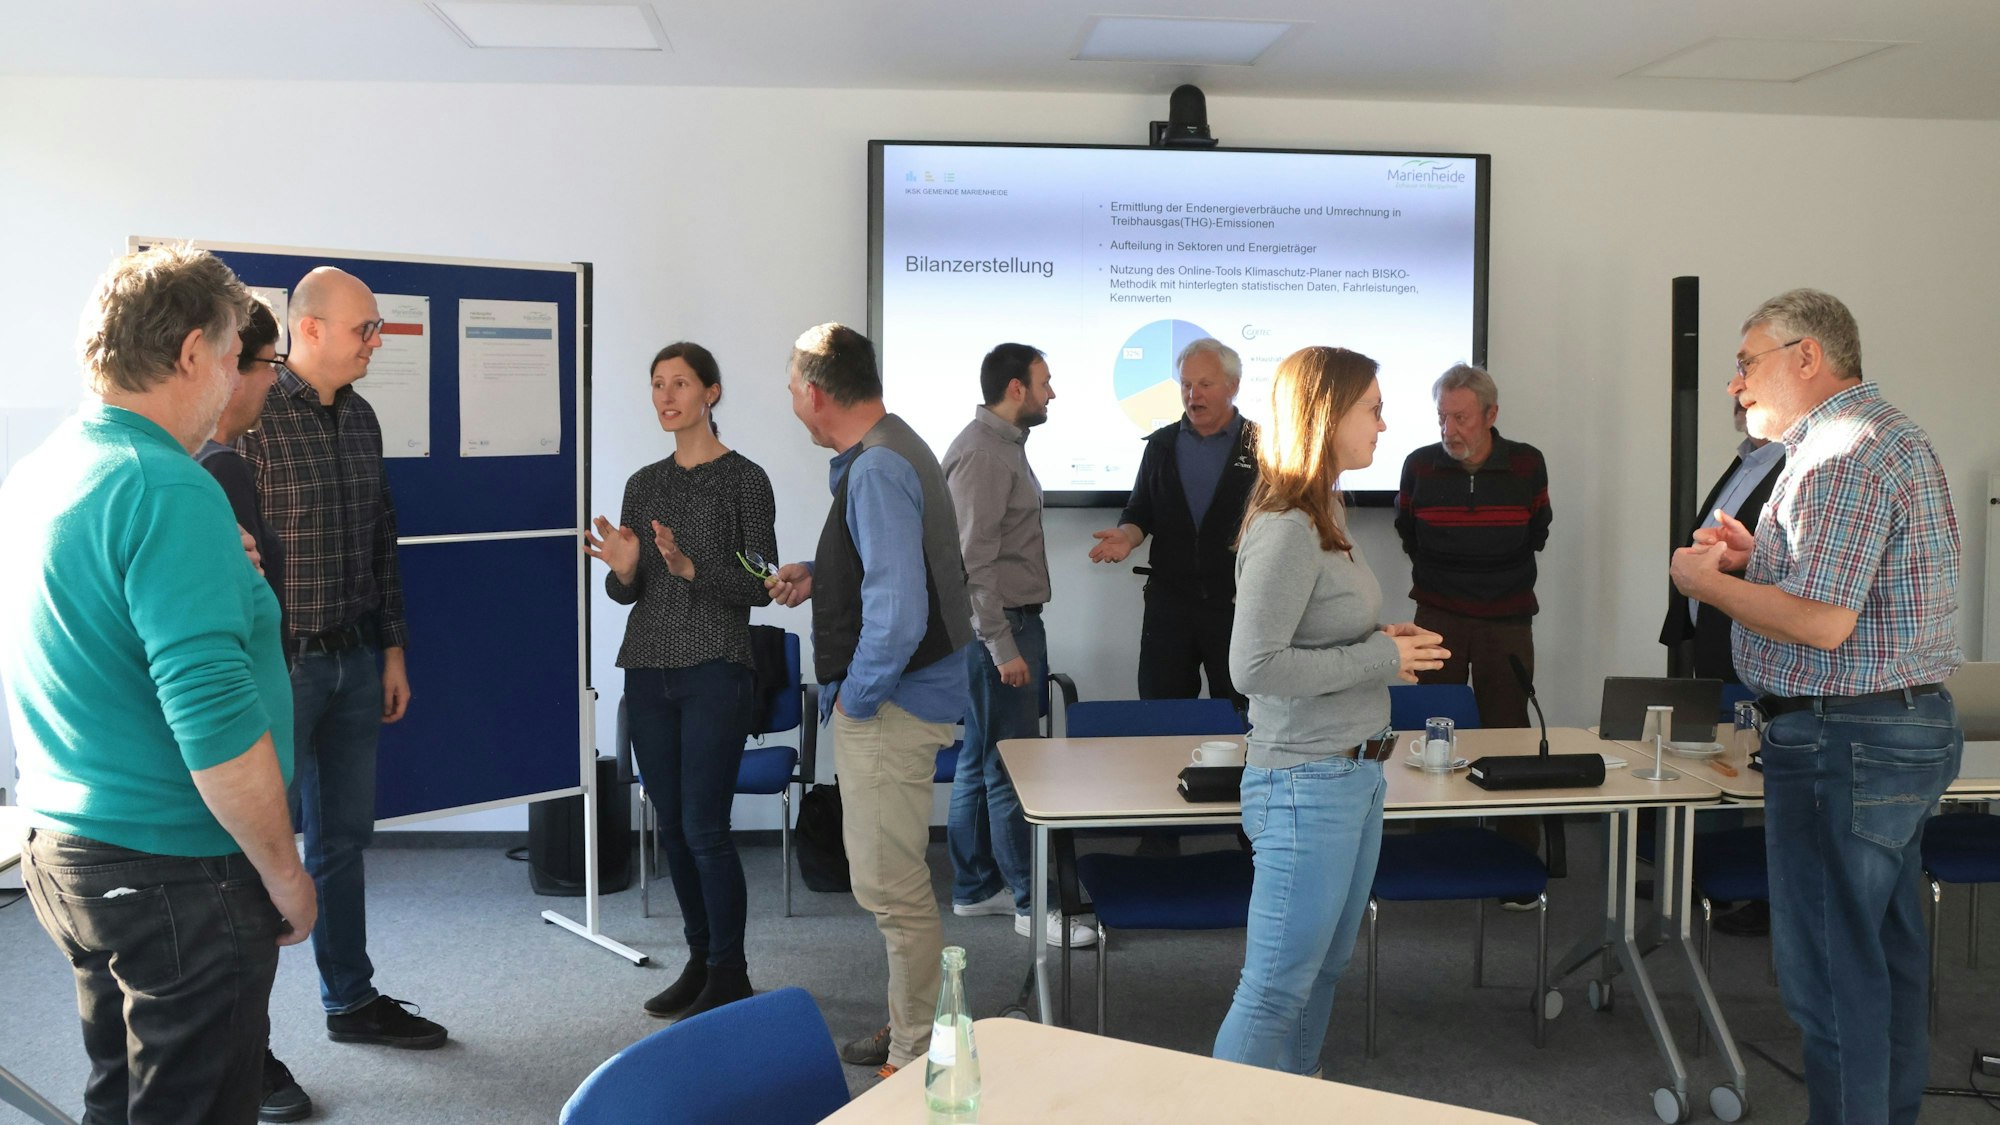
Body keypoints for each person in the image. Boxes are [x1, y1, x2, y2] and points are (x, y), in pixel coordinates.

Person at [0, 245, 312, 1124]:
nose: (233, 380)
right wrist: (284, 870)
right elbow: (213, 719)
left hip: (69, 847)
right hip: (176, 868)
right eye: (228, 356)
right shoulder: (166, 486)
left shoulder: (49, 468)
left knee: (129, 1097)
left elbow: (92, 626)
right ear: (188, 354)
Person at [1670, 288, 1963, 1125]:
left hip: (1848, 742)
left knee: (1832, 978)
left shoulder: (1838, 453)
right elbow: (1854, 599)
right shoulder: (1881, 436)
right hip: (1890, 731)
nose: (1736, 384)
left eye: (1746, 361)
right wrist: (1760, 557)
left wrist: (1709, 585)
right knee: (1885, 965)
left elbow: (1826, 626)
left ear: (1808, 357)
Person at [1211, 346, 1447, 1074]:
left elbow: (1311, 634)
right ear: (1327, 415)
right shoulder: (1286, 523)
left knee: (1322, 972)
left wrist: (1377, 638)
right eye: (1372, 408)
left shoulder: (1326, 509)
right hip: (1305, 782)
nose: (1385, 423)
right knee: (1276, 986)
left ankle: (1295, 1099)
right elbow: (1252, 667)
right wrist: (1381, 658)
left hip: (1354, 774)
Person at [238, 267, 444, 1050]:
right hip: (278, 669)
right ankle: (243, 1045)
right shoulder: (254, 419)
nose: (376, 340)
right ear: (310, 329)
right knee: (255, 848)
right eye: (364, 328)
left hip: (356, 660)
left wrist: (392, 648)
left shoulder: (362, 419)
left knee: (342, 842)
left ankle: (350, 1000)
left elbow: (381, 541)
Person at [764, 323, 972, 1079]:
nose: (791, 401)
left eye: (792, 388)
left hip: (892, 703)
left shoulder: (876, 467)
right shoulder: (892, 443)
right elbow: (897, 561)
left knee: (892, 887)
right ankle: (911, 1023)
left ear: (817, 394)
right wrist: (826, 570)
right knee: (894, 880)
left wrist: (854, 700)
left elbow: (901, 613)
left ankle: (921, 1051)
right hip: (912, 692)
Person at [584, 341, 777, 1020]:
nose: (667, 397)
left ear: (712, 393)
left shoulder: (745, 479)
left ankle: (731, 970)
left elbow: (762, 584)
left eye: (681, 384)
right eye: (657, 384)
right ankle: (700, 958)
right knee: (671, 827)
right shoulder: (644, 483)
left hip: (716, 666)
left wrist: (693, 568)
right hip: (647, 670)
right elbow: (625, 592)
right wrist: (627, 565)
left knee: (704, 829)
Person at [196, 297, 312, 1121]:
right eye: (269, 366)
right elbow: (211, 677)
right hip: (225, 791)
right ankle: (256, 1063)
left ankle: (252, 1059)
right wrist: (284, 868)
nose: (273, 383)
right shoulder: (213, 471)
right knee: (239, 940)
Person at [939, 343, 1093, 948]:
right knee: (1010, 767)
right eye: (1045, 383)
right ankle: (1032, 907)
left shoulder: (1002, 448)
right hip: (1002, 629)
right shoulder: (983, 456)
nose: (1052, 393)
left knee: (982, 759)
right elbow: (972, 564)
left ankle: (975, 889)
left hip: (1006, 626)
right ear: (1015, 388)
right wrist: (1003, 646)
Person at [1087, 337, 1258, 708]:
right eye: (1185, 384)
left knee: (1243, 711)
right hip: (1170, 605)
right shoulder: (1161, 445)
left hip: (1237, 604)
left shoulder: (1262, 446)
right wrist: (1127, 537)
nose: (1192, 394)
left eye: (1205, 384)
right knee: (1162, 710)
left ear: (1233, 386)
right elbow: (1139, 513)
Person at [1394, 363, 1551, 729]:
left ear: (1491, 414)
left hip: (1507, 618)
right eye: (1442, 417)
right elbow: (1408, 532)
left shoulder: (1526, 463)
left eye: (1461, 418)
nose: (1449, 430)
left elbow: (1537, 531)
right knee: (1429, 719)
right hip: (1437, 615)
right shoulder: (1419, 465)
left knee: (1508, 723)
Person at [1658, 396, 1785, 684]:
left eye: (1749, 373)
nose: (1735, 391)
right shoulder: (1748, 460)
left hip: (1752, 658)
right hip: (1709, 643)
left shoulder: (1797, 467)